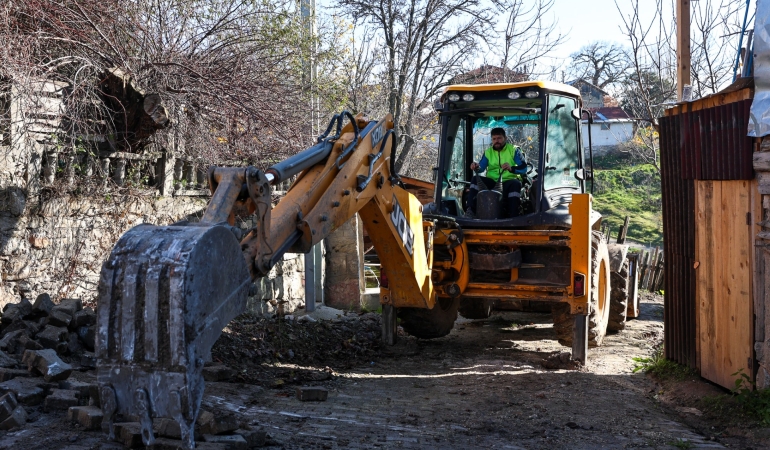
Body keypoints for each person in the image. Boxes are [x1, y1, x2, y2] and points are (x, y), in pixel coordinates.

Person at [465, 127, 527, 219]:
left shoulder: (514, 150)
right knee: (475, 180)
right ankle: (471, 211)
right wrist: (476, 166)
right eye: (494, 139)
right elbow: (481, 167)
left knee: (516, 183)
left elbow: (524, 168)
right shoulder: (488, 152)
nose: (496, 141)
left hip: (508, 181)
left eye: (499, 138)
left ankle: (514, 215)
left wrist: (511, 168)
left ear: (505, 138)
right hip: (492, 182)